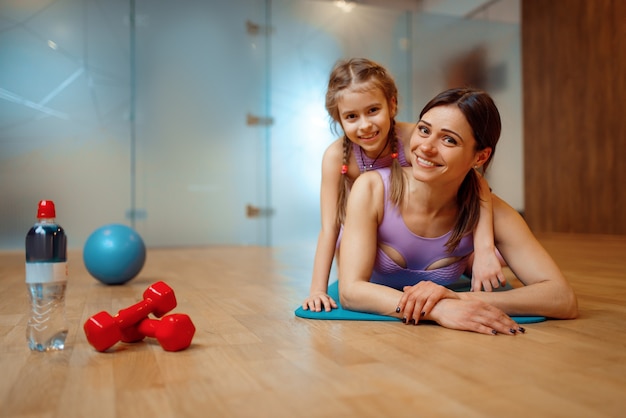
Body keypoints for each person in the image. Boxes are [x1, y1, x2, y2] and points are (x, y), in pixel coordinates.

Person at [338, 87, 578, 335]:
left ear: (480, 157)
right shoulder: (371, 189)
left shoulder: (495, 211)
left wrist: (457, 300)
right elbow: (350, 291)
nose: (427, 147)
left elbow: (563, 299)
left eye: (449, 139)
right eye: (424, 130)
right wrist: (438, 310)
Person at [302, 58, 505, 312]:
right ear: (339, 119)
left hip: (414, 227)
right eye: (351, 116)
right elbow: (329, 227)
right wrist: (318, 289)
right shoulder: (336, 157)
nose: (365, 125)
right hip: (368, 234)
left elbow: (477, 184)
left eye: (373, 110)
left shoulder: (412, 138)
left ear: (392, 104)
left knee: (494, 258)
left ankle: (461, 263)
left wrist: (485, 248)